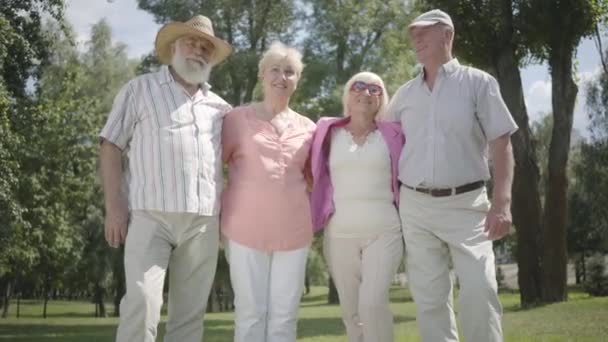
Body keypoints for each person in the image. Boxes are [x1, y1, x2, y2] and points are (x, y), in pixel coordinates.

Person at [98, 15, 233, 342]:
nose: (198, 50)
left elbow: (240, 164)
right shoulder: (139, 89)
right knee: (142, 304)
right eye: (191, 42)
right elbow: (110, 145)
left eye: (206, 47)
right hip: (150, 216)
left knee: (189, 317)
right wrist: (114, 208)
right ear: (173, 46)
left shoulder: (221, 108)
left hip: (202, 223)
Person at [386, 9, 518, 342]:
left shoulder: (478, 83)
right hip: (415, 206)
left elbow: (501, 141)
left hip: (467, 204)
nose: (415, 39)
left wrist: (502, 202)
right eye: (413, 34)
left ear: (447, 35)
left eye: (424, 32)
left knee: (479, 287)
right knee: (430, 299)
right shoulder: (404, 95)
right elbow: (384, 143)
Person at [220, 41, 316, 342]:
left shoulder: (309, 128)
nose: (282, 77)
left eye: (290, 71)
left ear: (297, 80)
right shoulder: (235, 119)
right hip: (244, 232)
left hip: (294, 234)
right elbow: (210, 168)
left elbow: (314, 180)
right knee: (250, 315)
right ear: (262, 75)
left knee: (285, 318)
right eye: (274, 69)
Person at [309, 72, 405, 342]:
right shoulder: (326, 131)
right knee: (351, 313)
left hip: (385, 231)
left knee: (373, 304)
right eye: (358, 86)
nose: (366, 92)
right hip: (339, 235)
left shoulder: (395, 133)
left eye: (375, 88)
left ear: (382, 99)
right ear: (347, 96)